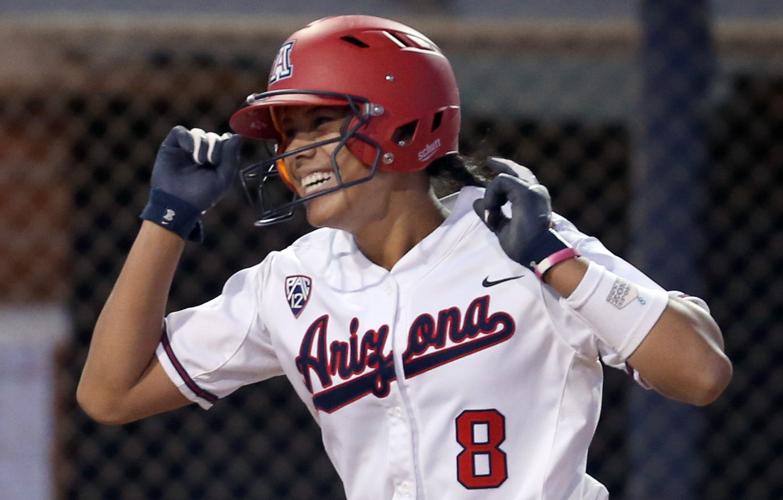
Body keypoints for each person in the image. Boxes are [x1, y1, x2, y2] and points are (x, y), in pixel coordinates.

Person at [77, 15, 732, 499]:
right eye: (286, 134)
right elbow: (109, 394)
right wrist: (166, 220)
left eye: (316, 124)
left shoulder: (513, 235)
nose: (293, 155)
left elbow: (700, 372)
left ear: (401, 121)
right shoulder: (292, 281)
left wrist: (553, 259)